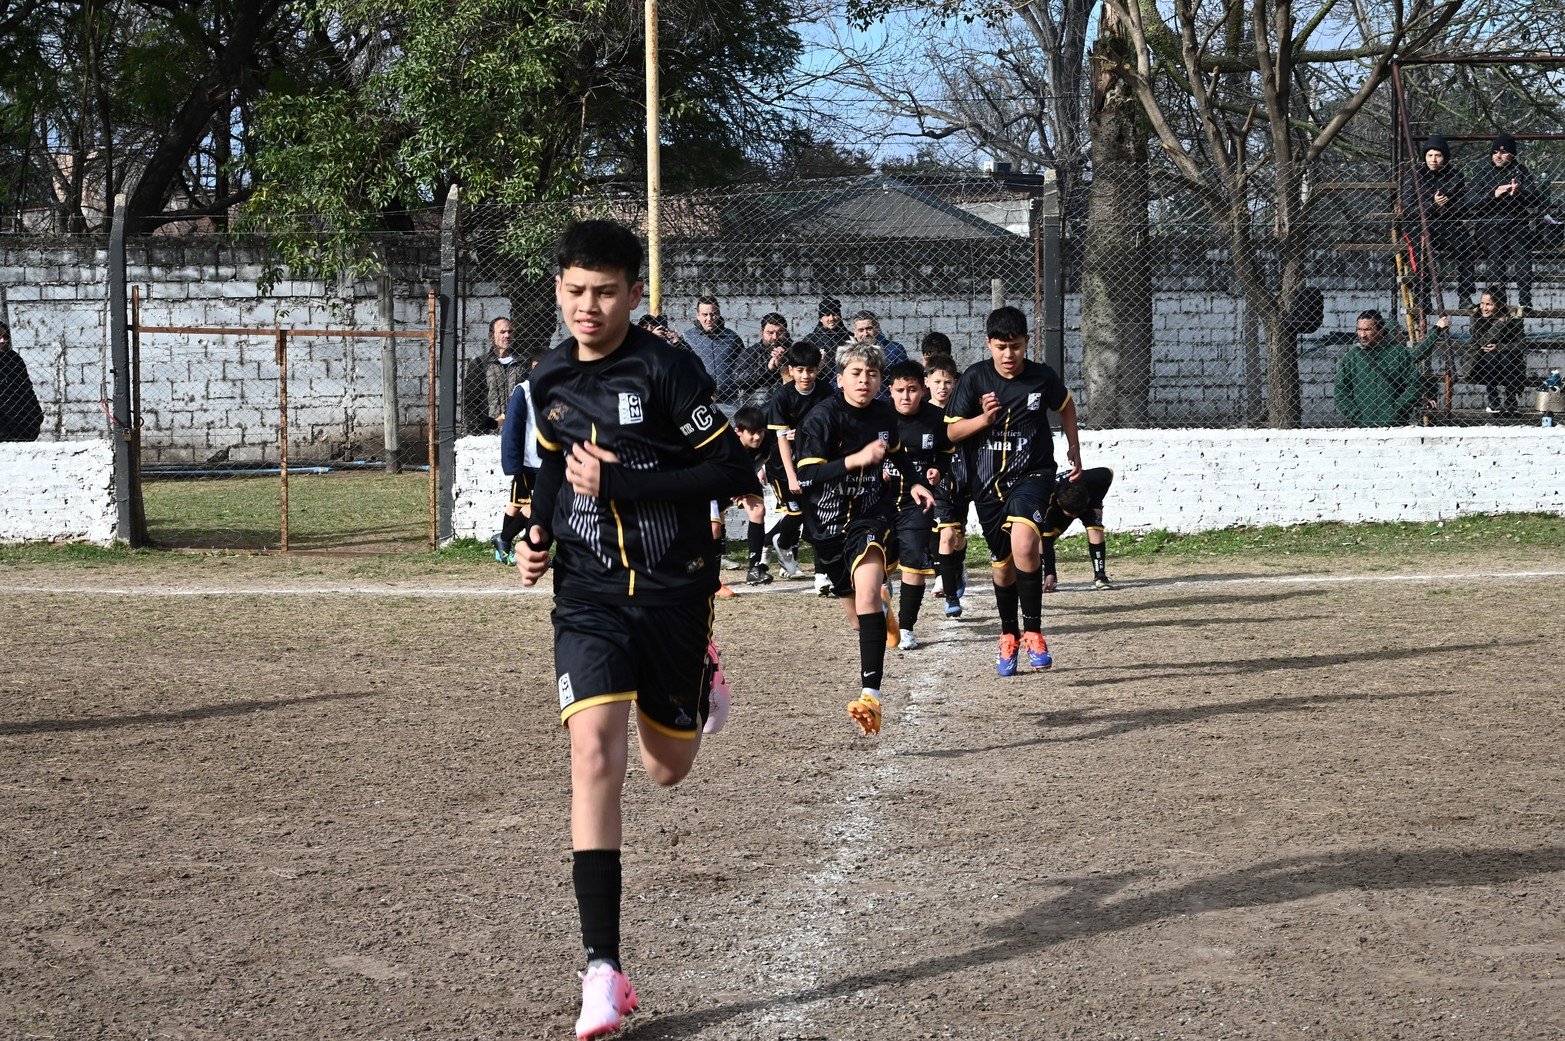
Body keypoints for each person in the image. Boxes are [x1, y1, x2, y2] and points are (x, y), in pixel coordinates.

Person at [513, 219, 759, 1040]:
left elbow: (732, 470)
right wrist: (538, 532)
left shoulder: (665, 367)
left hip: (673, 589)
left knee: (666, 768)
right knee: (594, 754)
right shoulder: (545, 376)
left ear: (634, 293)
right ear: (558, 287)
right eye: (576, 290)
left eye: (607, 292)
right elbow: (551, 464)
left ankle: (699, 676)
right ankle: (602, 970)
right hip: (586, 595)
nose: (590, 306)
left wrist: (628, 482)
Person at [796, 341, 935, 735]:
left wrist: (916, 483)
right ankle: (882, 611)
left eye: (872, 374)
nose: (865, 381)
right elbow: (805, 477)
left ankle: (870, 696)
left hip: (869, 518)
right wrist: (854, 460)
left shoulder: (883, 414)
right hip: (826, 527)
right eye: (856, 374)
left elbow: (898, 453)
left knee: (869, 590)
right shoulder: (822, 418)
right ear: (840, 379)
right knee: (861, 620)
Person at [946, 306, 1082, 678]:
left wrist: (1074, 447)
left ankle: (1034, 633)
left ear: (1027, 344)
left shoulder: (1041, 377)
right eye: (1002, 347)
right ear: (989, 344)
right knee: (1004, 568)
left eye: (1017, 347)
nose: (1009, 355)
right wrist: (983, 420)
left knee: (1025, 542)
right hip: (987, 485)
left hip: (1033, 475)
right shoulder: (974, 378)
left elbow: (1066, 407)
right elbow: (952, 432)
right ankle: (1008, 635)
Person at [885, 360, 951, 650]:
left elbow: (946, 452)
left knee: (913, 563)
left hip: (918, 504)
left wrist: (938, 468)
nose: (906, 396)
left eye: (912, 389)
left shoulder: (937, 418)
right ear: (890, 390)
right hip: (880, 502)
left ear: (923, 390)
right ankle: (882, 610)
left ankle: (907, 627)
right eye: (900, 390)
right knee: (877, 567)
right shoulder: (877, 416)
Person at [763, 341, 833, 590]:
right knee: (796, 513)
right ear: (791, 370)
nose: (806, 376)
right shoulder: (782, 396)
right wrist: (792, 477)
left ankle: (821, 575)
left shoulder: (826, 392)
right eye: (800, 370)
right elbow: (781, 439)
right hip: (784, 468)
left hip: (814, 463)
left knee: (817, 515)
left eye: (811, 370)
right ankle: (781, 542)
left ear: (818, 369)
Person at [1466, 133, 1541, 311]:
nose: (1498, 156)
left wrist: (1519, 193)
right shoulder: (1483, 172)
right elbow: (1470, 201)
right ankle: (1497, 299)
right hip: (1488, 224)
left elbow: (1536, 199)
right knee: (1497, 249)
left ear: (1512, 154)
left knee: (1522, 253)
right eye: (1495, 152)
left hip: (1516, 223)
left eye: (1504, 152)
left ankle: (1525, 300)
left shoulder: (1521, 171)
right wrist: (1493, 195)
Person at [1399, 134, 1473, 310]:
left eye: (1438, 155)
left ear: (1445, 157)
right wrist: (1432, 205)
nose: (1433, 160)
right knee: (1421, 250)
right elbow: (1408, 208)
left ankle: (1465, 296)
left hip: (1447, 224)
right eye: (1430, 155)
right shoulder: (1415, 176)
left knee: (1467, 245)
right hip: (1419, 225)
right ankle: (1423, 297)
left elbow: (1463, 205)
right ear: (1424, 156)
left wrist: (1444, 209)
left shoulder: (1455, 176)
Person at [1333, 309, 1437, 427]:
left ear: (1381, 331)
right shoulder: (1351, 357)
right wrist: (1358, 417)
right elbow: (1341, 392)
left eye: (1367, 329)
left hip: (1396, 425)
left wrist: (1396, 411)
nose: (1362, 335)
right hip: (1363, 428)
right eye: (1359, 329)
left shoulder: (1397, 352)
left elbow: (1416, 384)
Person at [923, 355, 969, 615]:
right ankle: (951, 598)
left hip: (959, 482)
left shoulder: (961, 411)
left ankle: (956, 567)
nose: (943, 386)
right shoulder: (921, 412)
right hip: (932, 483)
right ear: (926, 381)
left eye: (948, 382)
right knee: (943, 535)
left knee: (955, 537)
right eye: (937, 381)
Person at [491, 363, 538, 565]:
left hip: (547, 462)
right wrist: (512, 463)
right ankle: (508, 541)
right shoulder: (524, 390)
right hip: (528, 462)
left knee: (520, 503)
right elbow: (510, 423)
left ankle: (505, 541)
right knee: (527, 506)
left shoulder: (558, 389)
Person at [1041, 467, 1117, 592]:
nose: (1075, 517)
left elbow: (1109, 473)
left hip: (1085, 502)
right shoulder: (1048, 502)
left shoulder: (1091, 479)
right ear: (1059, 502)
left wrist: (1096, 503)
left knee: (1095, 527)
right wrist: (1050, 572)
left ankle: (1100, 576)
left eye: (1076, 514)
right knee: (1043, 539)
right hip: (1058, 511)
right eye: (1072, 514)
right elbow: (1046, 541)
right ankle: (1051, 578)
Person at [731, 405, 775, 584]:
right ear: (738, 431)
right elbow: (718, 470)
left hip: (744, 477)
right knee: (714, 526)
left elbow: (761, 461)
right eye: (752, 433)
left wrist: (748, 480)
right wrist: (735, 487)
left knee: (758, 510)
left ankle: (754, 568)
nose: (757, 437)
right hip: (718, 480)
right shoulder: (727, 445)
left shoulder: (767, 440)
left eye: (760, 432)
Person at [463, 316, 528, 434]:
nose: (507, 335)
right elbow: (471, 401)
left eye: (510, 332)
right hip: (489, 431)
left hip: (518, 430)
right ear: (491, 336)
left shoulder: (523, 364)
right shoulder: (480, 364)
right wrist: (476, 432)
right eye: (502, 332)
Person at [1468, 287, 1527, 415]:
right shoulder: (1476, 318)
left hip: (1509, 364)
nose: (1484, 307)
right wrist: (1499, 324)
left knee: (1505, 356)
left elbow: (1521, 344)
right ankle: (1493, 401)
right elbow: (1484, 342)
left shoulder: (1512, 319)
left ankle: (1511, 402)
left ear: (1499, 305)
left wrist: (1499, 347)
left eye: (1489, 304)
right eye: (1482, 303)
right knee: (1492, 356)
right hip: (1481, 363)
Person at [683, 295, 745, 403]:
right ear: (698, 315)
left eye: (713, 314)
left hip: (729, 401)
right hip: (698, 401)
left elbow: (744, 366)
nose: (709, 319)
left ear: (719, 314)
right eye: (705, 315)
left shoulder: (732, 338)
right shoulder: (688, 338)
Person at [0, 321, 43, 443]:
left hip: (21, 426)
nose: (3, 341)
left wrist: (37, 415)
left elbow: (27, 389)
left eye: (6, 337)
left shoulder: (14, 359)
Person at [799, 297, 845, 384]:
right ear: (820, 318)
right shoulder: (811, 339)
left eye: (835, 314)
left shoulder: (849, 337)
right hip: (819, 384)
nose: (831, 318)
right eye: (827, 314)